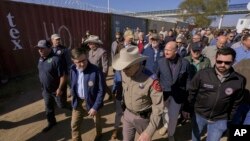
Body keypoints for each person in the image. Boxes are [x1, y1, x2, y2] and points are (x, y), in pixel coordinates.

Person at [183, 47, 246, 141]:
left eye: (227, 62)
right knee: (196, 136)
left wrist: (229, 117)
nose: (222, 65)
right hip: (199, 115)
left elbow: (236, 101)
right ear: (215, 60)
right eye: (219, 61)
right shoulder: (203, 74)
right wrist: (186, 108)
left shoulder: (239, 80)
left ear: (233, 62)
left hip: (220, 119)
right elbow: (191, 92)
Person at [112, 46, 164, 141]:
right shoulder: (124, 73)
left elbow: (158, 107)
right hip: (127, 115)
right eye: (122, 68)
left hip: (143, 119)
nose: (123, 71)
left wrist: (149, 132)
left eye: (127, 68)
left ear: (137, 64)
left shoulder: (151, 79)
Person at [157, 41, 191, 141]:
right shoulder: (160, 62)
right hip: (164, 94)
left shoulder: (185, 63)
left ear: (176, 51)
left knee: (174, 116)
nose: (166, 52)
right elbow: (156, 77)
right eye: (165, 49)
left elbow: (188, 81)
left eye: (169, 50)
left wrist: (187, 96)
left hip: (178, 95)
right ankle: (166, 126)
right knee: (164, 112)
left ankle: (171, 134)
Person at [70, 47, 105, 141]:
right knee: (74, 125)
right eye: (78, 62)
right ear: (73, 61)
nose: (81, 64)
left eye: (84, 60)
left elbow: (101, 90)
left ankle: (99, 134)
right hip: (78, 103)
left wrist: (95, 107)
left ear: (86, 57)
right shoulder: (72, 69)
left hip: (92, 102)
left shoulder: (96, 71)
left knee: (97, 122)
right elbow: (72, 83)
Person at [35, 39, 67, 132]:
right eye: (38, 48)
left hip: (56, 89)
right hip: (45, 90)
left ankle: (75, 109)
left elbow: (63, 76)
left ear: (49, 48)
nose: (40, 50)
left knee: (61, 105)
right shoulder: (40, 59)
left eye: (42, 48)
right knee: (48, 107)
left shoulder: (56, 59)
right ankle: (51, 122)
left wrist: (60, 88)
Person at [85, 35, 112, 100]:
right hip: (91, 73)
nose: (88, 45)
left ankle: (100, 100)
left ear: (95, 44)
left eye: (90, 43)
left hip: (100, 73)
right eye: (88, 43)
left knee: (101, 86)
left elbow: (105, 65)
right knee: (101, 85)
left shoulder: (102, 52)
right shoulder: (90, 51)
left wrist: (104, 75)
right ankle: (110, 93)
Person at [51, 33, 72, 108]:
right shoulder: (50, 50)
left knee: (72, 85)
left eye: (59, 39)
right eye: (56, 40)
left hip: (66, 72)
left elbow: (68, 61)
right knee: (60, 86)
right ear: (52, 40)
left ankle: (77, 98)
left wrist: (70, 71)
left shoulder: (64, 49)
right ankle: (62, 101)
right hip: (57, 73)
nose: (58, 41)